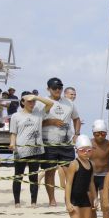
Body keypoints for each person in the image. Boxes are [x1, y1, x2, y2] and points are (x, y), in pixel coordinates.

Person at [39, 77, 81, 206]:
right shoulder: (42, 103)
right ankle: (52, 200)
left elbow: (77, 119)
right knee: (50, 172)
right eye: (54, 88)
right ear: (48, 89)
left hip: (66, 142)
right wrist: (50, 122)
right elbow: (35, 122)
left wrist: (76, 134)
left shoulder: (69, 103)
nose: (57, 90)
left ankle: (69, 198)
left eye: (60, 88)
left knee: (71, 171)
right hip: (48, 142)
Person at [9, 93, 54, 208]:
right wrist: (12, 144)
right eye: (29, 101)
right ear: (23, 102)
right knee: (18, 176)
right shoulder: (15, 116)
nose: (32, 103)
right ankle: (17, 202)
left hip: (36, 150)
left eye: (33, 102)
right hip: (21, 149)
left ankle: (33, 202)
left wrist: (36, 97)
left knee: (33, 177)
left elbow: (50, 103)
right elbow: (13, 133)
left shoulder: (39, 113)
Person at [64, 135, 95, 218]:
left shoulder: (91, 164)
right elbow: (68, 184)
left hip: (84, 197)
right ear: (77, 150)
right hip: (73, 197)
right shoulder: (74, 164)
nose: (86, 153)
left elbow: (91, 183)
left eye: (89, 150)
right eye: (83, 150)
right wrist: (67, 202)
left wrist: (95, 198)